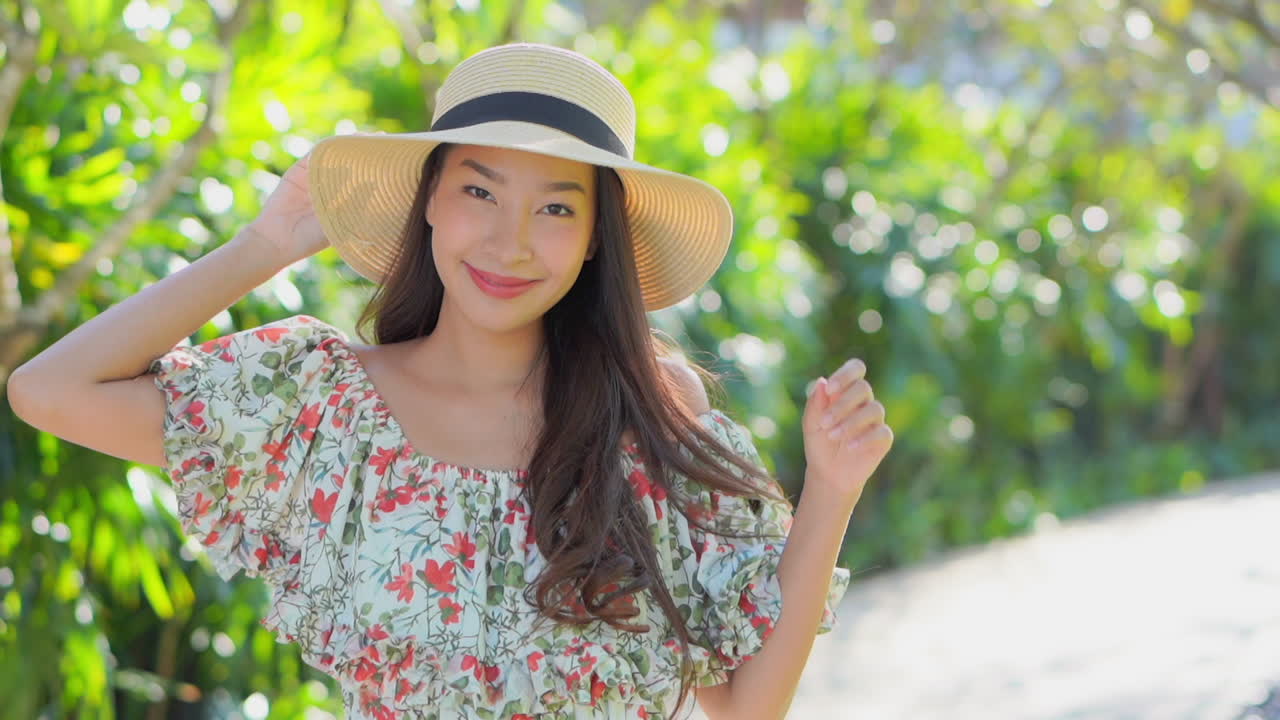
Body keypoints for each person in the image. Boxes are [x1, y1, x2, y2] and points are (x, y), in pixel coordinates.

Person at [8, 43, 892, 720]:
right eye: (479, 192)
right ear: (428, 197)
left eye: (555, 206)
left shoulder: (650, 418)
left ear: (594, 239)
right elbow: (49, 391)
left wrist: (832, 490)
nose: (510, 241)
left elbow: (744, 704)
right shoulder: (325, 413)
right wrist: (262, 249)